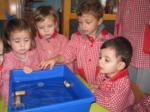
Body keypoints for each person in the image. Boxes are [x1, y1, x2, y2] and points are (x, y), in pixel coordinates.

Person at [40, 0, 113, 85]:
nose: (83, 26)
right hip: (83, 83)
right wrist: (55, 59)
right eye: (80, 22)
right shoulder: (76, 38)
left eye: (88, 22)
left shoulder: (109, 39)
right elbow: (67, 54)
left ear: (99, 21)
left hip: (103, 84)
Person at [115, 0, 150, 111]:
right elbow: (119, 20)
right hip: (126, 45)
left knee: (143, 93)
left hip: (145, 50)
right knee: (128, 88)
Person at [1, 18, 40, 105]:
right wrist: (20, 71)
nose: (22, 45)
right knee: (13, 102)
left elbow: (38, 67)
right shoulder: (8, 57)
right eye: (17, 41)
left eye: (26, 40)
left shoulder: (33, 53)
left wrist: (32, 69)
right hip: (12, 87)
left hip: (28, 84)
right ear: (9, 42)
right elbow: (5, 75)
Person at [92, 37, 134, 112]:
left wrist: (95, 92)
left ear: (120, 65)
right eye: (100, 57)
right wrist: (96, 86)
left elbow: (113, 107)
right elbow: (97, 84)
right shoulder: (103, 72)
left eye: (107, 60)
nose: (100, 62)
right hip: (101, 106)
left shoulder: (123, 83)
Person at [32, 5, 74, 70]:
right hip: (44, 77)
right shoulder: (33, 43)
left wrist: (55, 59)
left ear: (55, 24)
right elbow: (32, 62)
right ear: (36, 27)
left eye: (49, 26)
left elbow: (69, 56)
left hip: (62, 76)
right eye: (41, 27)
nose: (46, 30)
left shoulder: (63, 40)